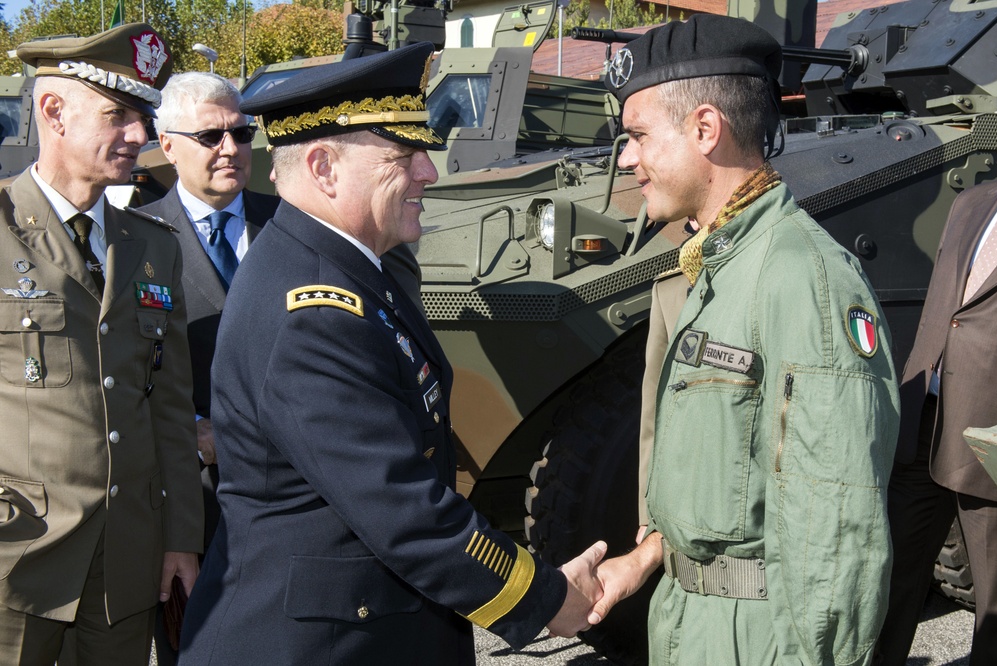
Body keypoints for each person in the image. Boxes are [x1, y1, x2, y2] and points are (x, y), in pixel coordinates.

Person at [177, 41, 606, 665]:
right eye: (404, 156)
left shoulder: (346, 268)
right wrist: (544, 596)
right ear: (323, 168)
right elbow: (403, 509)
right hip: (317, 643)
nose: (429, 173)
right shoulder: (314, 312)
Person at [586, 15, 901, 664]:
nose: (626, 158)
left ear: (705, 129)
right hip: (688, 620)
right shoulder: (713, 269)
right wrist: (644, 558)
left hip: (756, 638)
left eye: (639, 135)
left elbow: (835, 542)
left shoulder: (801, 278)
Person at [0, 24, 203, 664]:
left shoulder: (152, 247)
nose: (140, 136)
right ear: (52, 111)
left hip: (126, 561)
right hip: (16, 558)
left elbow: (170, 408)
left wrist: (180, 539)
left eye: (143, 116)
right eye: (117, 114)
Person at [137, 71, 279, 664]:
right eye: (210, 136)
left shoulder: (292, 226)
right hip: (188, 504)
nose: (230, 149)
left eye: (241, 134)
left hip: (285, 497)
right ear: (167, 145)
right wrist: (188, 433)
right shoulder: (135, 240)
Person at [876, 180, 997, 665]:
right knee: (889, 578)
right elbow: (943, 310)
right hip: (926, 418)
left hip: (992, 439)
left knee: (994, 607)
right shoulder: (973, 200)